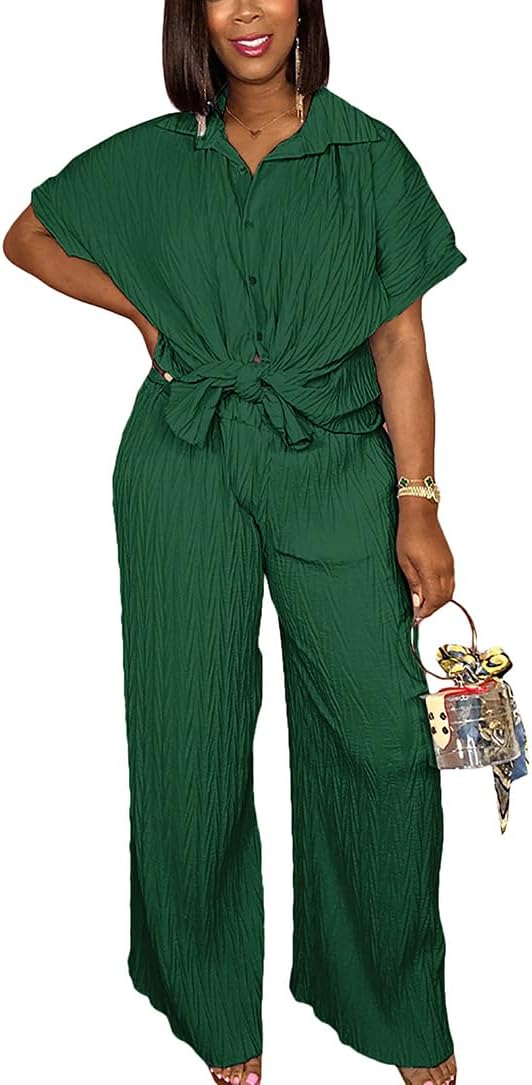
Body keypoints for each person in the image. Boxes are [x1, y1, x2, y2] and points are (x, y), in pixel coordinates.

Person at [3, 2, 466, 1084]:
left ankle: (393, 1004)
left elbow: (400, 342)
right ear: (193, 17)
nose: (247, 10)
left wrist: (419, 502)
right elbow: (26, 237)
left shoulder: (368, 154)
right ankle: (214, 1008)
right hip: (184, 460)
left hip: (334, 460)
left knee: (382, 740)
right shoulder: (154, 157)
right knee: (189, 730)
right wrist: (139, 307)